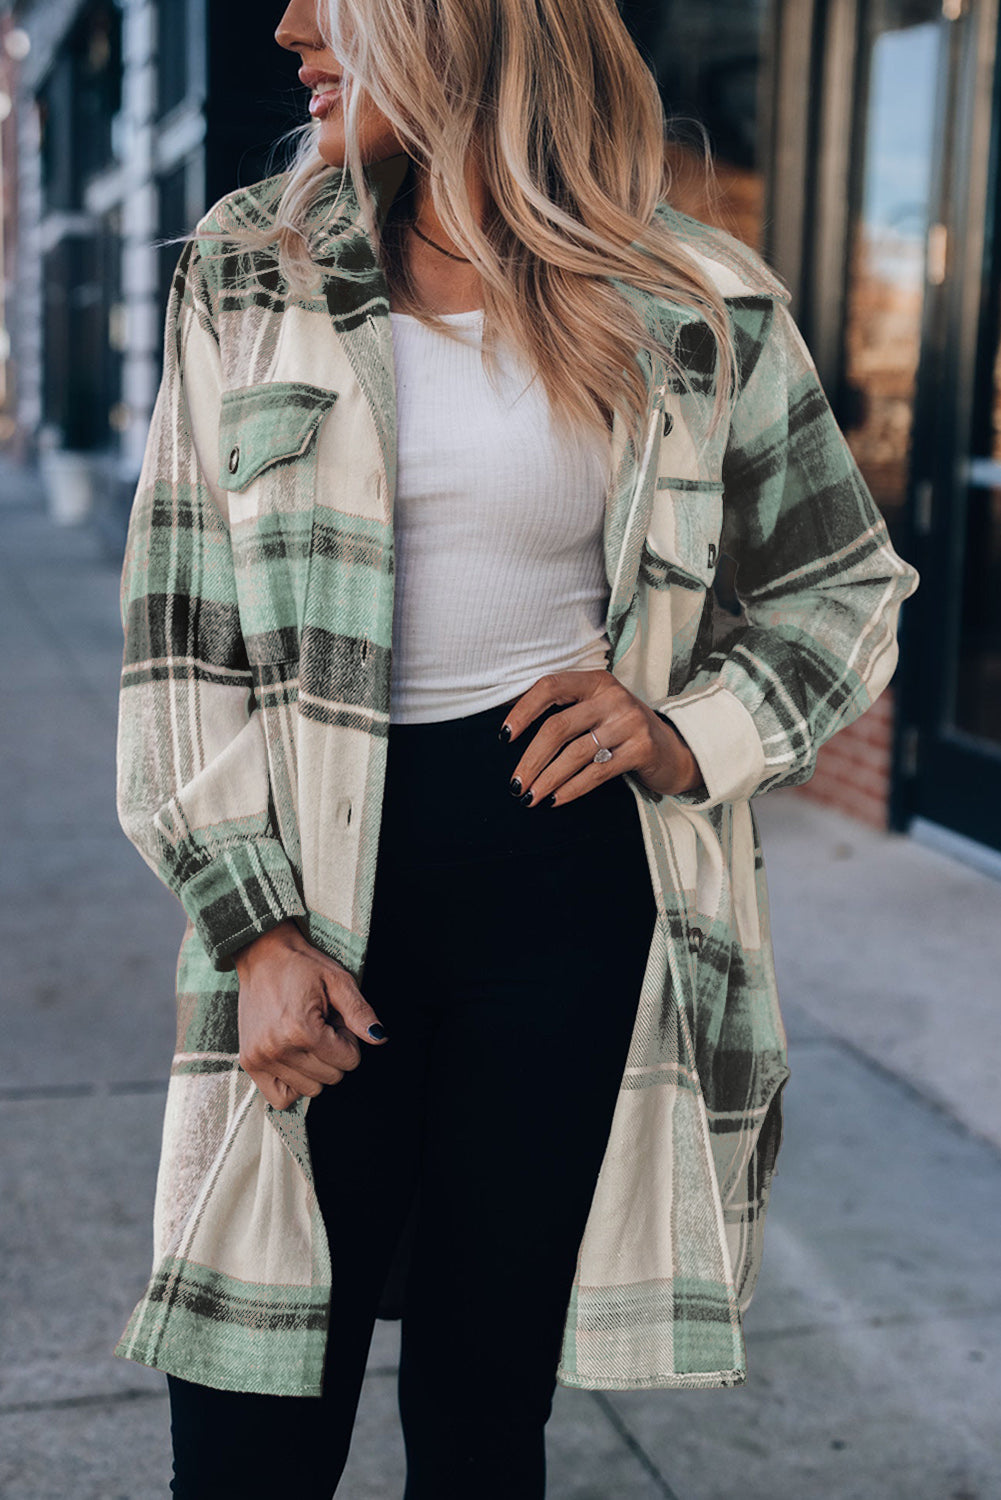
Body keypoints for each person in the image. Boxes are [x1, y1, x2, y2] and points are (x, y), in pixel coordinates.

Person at [113, 1, 919, 1495]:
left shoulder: (694, 298)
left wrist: (688, 733)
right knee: (247, 1429)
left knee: (485, 1418)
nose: (290, 24)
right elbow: (182, 632)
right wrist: (253, 929)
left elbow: (843, 587)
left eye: (334, 0)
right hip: (314, 908)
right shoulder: (252, 263)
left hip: (569, 902)